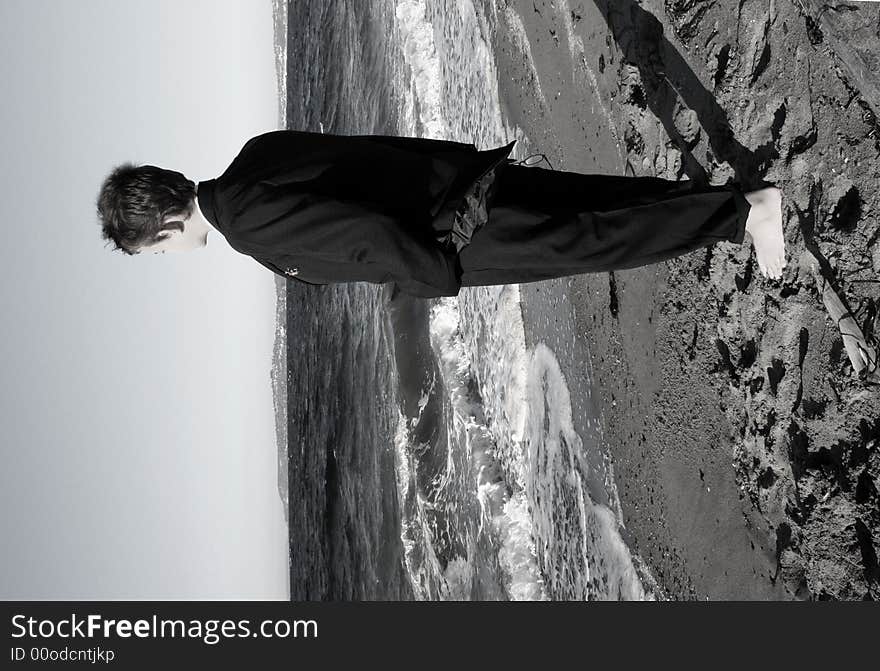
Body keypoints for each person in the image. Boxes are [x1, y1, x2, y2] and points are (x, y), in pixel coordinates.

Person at [96, 130, 786, 298]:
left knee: (593, 236)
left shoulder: (243, 219)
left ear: (160, 225)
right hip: (457, 184)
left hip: (457, 231)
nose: (165, 257)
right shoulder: (249, 160)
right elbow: (364, 160)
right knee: (589, 203)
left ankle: (742, 214)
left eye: (153, 251)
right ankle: (724, 204)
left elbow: (362, 236)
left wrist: (437, 275)